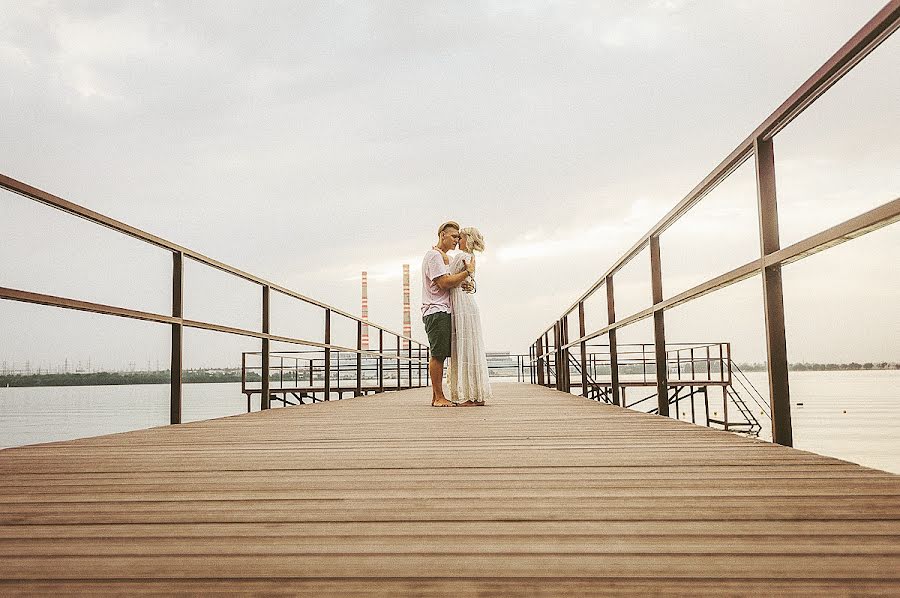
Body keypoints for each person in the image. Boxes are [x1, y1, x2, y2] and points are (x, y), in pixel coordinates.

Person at [421, 221, 475, 407]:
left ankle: (438, 396)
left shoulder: (444, 258)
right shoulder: (434, 256)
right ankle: (438, 397)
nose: (456, 240)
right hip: (436, 310)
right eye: (453, 236)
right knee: (438, 354)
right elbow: (444, 283)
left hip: (444, 310)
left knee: (442, 353)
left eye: (458, 237)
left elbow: (453, 281)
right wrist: (467, 272)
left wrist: (465, 281)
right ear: (443, 235)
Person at [446, 227, 492, 406]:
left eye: (461, 237)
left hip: (461, 305)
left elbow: (447, 279)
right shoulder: (472, 258)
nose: (458, 240)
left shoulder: (460, 257)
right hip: (469, 303)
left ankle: (465, 394)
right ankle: (476, 394)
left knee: (462, 348)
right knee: (473, 348)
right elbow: (469, 280)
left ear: (468, 240)